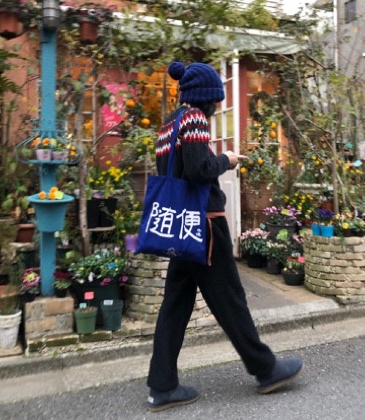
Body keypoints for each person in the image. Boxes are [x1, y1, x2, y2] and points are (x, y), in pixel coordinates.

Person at [146, 61, 303, 413]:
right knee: (230, 299)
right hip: (205, 224)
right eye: (216, 99)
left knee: (175, 306)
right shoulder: (194, 120)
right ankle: (266, 370)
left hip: (182, 224)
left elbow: (174, 172)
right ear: (206, 98)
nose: (217, 106)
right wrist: (226, 160)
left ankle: (161, 386)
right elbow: (199, 170)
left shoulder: (169, 123)